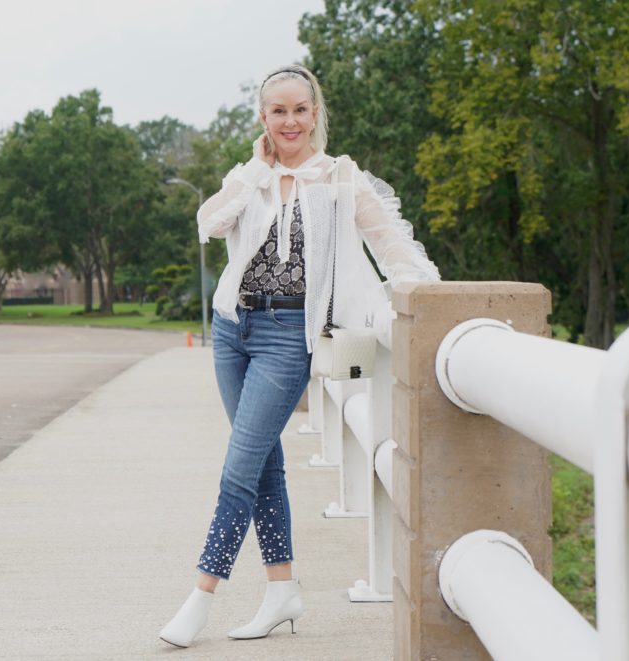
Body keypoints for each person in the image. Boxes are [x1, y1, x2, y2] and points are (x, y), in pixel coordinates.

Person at [159, 64, 439, 648]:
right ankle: (282, 588)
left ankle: (202, 595)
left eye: (300, 110)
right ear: (263, 118)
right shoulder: (251, 175)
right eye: (278, 111)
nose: (290, 121)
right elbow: (209, 223)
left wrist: (428, 295)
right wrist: (257, 170)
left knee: (238, 470)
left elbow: (391, 243)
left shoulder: (339, 178)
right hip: (233, 326)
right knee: (262, 464)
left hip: (288, 333)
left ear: (316, 115)